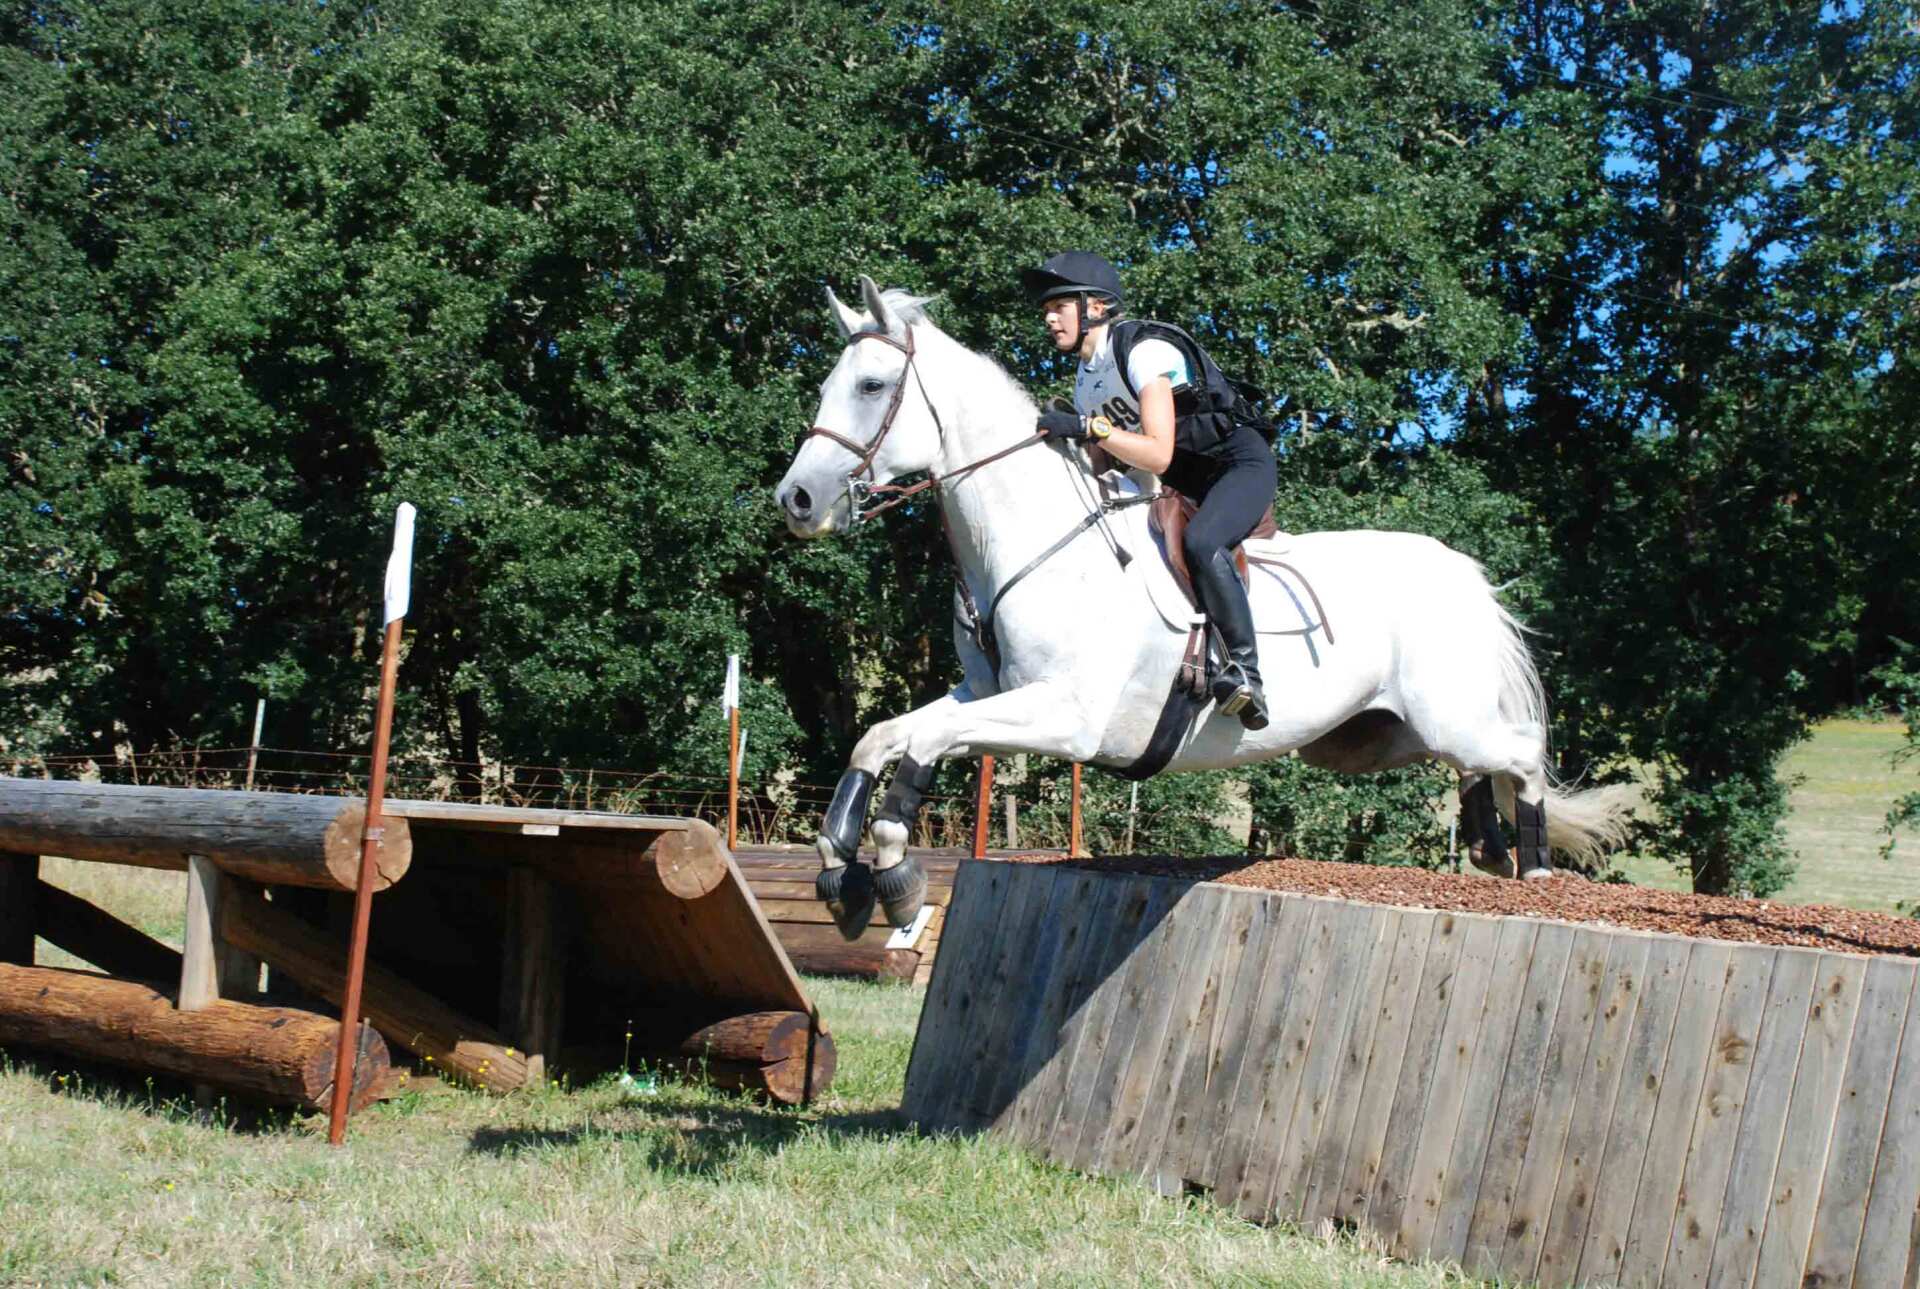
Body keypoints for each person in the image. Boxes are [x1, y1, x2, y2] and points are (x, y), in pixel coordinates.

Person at [1021, 251, 1278, 730]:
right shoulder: (1085, 382)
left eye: (1059, 306)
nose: (1050, 319)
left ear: (1096, 307)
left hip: (1236, 465)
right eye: (1046, 311)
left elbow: (1157, 454)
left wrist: (1088, 427)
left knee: (1202, 541)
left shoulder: (1143, 350)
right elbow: (1104, 470)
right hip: (1184, 485)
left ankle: (1246, 671)